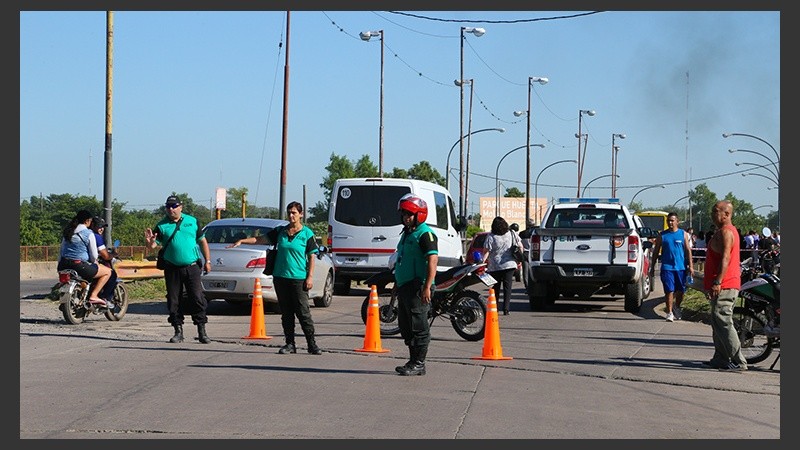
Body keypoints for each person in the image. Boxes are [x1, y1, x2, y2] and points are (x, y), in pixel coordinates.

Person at [228, 201, 322, 355]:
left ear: (301, 214)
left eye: (294, 213)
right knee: (286, 313)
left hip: (298, 278)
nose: (291, 215)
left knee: (303, 312)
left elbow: (312, 256)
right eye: (289, 212)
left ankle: (312, 344)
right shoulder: (281, 231)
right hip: (280, 277)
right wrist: (242, 240)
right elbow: (260, 239)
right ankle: (289, 344)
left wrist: (309, 277)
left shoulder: (307, 234)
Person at [145, 195, 213, 344]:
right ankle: (178, 331)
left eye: (174, 206)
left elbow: (202, 242)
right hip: (172, 268)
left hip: (192, 267)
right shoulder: (162, 225)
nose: (171, 209)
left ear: (181, 207)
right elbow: (153, 246)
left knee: (197, 297)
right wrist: (150, 243)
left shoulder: (192, 221)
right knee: (174, 299)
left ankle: (202, 330)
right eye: (168, 206)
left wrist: (207, 260)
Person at [393, 193, 438, 376]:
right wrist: (396, 283)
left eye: (409, 215)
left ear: (420, 215)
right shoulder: (407, 233)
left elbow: (432, 260)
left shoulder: (425, 234)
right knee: (406, 326)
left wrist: (427, 286)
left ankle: (419, 362)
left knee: (419, 326)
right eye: (404, 214)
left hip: (418, 287)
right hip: (405, 286)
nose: (406, 218)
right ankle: (413, 361)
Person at [703, 200, 747, 371]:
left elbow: (725, 258)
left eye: (716, 211)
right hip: (721, 284)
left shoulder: (726, 232)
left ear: (726, 214)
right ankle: (720, 357)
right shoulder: (721, 231)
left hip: (726, 284)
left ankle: (739, 360)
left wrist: (718, 281)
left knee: (723, 320)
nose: (712, 214)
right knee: (716, 320)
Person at [57, 209, 113, 307]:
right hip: (79, 265)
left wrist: (59, 266)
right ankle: (94, 295)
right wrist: (94, 263)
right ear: (87, 221)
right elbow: (94, 255)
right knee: (108, 272)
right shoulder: (88, 233)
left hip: (63, 265)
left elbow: (61, 251)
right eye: (90, 221)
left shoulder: (68, 232)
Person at [650, 212, 693, 322]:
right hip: (667, 267)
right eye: (668, 220)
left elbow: (688, 250)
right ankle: (669, 313)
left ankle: (676, 306)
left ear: (677, 222)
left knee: (681, 291)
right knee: (669, 290)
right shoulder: (662, 235)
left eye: (672, 220)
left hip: (681, 267)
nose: (670, 223)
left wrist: (691, 266)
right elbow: (655, 252)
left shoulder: (683, 234)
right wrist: (652, 266)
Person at [482, 216, 521, 316]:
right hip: (510, 264)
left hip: (495, 265)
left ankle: (495, 308)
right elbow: (520, 246)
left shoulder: (491, 236)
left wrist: (482, 262)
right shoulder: (512, 233)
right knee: (508, 287)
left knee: (496, 288)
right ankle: (506, 309)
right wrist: (519, 259)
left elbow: (486, 251)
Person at [90, 216, 118, 305]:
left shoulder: (84, 234)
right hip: (90, 263)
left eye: (102, 227)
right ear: (92, 225)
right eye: (99, 226)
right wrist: (113, 255)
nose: (101, 229)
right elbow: (105, 256)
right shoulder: (96, 237)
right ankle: (105, 298)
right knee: (111, 274)